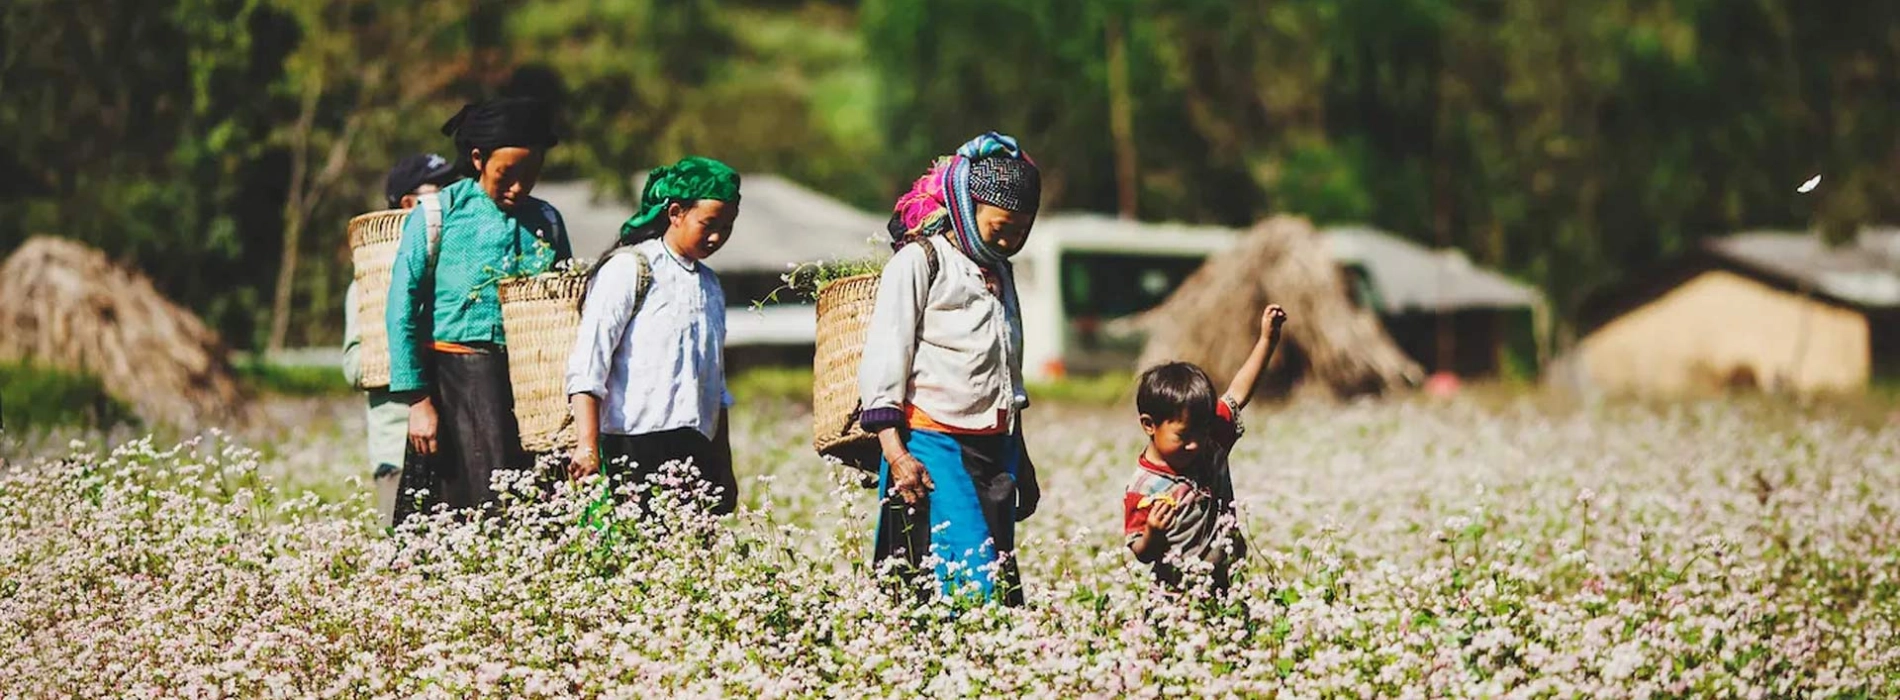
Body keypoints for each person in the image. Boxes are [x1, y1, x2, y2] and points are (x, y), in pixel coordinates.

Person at [858, 132, 1045, 606]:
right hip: (933, 442)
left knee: (998, 582)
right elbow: (886, 356)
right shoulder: (921, 261)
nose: (1010, 239)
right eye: (1000, 226)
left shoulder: (999, 272)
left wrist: (1019, 459)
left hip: (994, 445)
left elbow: (1006, 371)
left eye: (1021, 230)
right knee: (969, 582)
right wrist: (896, 454)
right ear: (966, 206)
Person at [385, 97, 571, 522]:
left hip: (531, 388)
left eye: (531, 174)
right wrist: (418, 401)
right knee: (466, 508)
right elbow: (401, 308)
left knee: (533, 510)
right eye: (507, 174)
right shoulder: (437, 214)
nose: (519, 188)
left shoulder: (547, 221)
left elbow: (564, 308)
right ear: (477, 158)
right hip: (456, 385)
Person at [564, 156, 742, 516]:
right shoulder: (630, 269)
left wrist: (723, 464)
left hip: (695, 448)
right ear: (675, 212)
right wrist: (587, 444)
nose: (716, 237)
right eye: (708, 224)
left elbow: (715, 385)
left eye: (727, 227)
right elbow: (588, 364)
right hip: (632, 444)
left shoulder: (710, 285)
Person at [1124, 304, 1288, 593]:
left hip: (1227, 582)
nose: (1195, 444)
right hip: (1176, 595)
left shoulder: (1209, 441)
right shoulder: (1144, 486)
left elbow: (1237, 393)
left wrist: (1267, 340)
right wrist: (1153, 533)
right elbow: (1141, 553)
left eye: (1202, 432)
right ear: (1149, 425)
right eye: (1183, 436)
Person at [341, 153, 459, 527]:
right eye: (440, 191)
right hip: (397, 449)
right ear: (409, 204)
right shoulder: (367, 287)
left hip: (455, 447)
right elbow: (354, 366)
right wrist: (403, 351)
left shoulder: (452, 275)